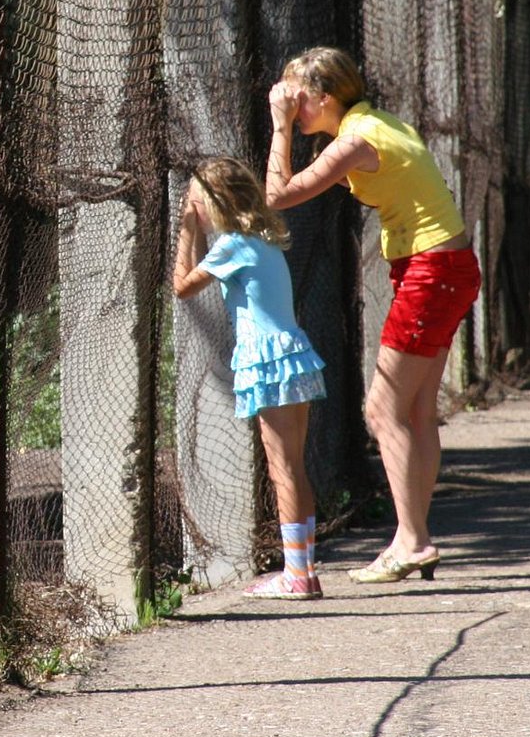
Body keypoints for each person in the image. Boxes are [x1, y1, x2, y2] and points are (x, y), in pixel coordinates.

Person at [265, 46, 481, 584]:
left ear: (324, 97)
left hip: (430, 270)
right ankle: (414, 536)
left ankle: (412, 540)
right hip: (446, 264)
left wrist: (280, 127)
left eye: (298, 96)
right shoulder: (376, 125)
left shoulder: (357, 140)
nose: (293, 104)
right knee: (417, 411)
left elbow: (278, 195)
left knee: (382, 411)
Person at [174, 156, 327, 600]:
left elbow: (182, 286)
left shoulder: (233, 246)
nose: (194, 207)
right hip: (291, 354)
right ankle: (305, 571)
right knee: (293, 467)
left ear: (213, 203)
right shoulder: (263, 239)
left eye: (198, 200)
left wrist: (188, 230)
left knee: (283, 470)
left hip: (267, 362)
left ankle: (296, 576)